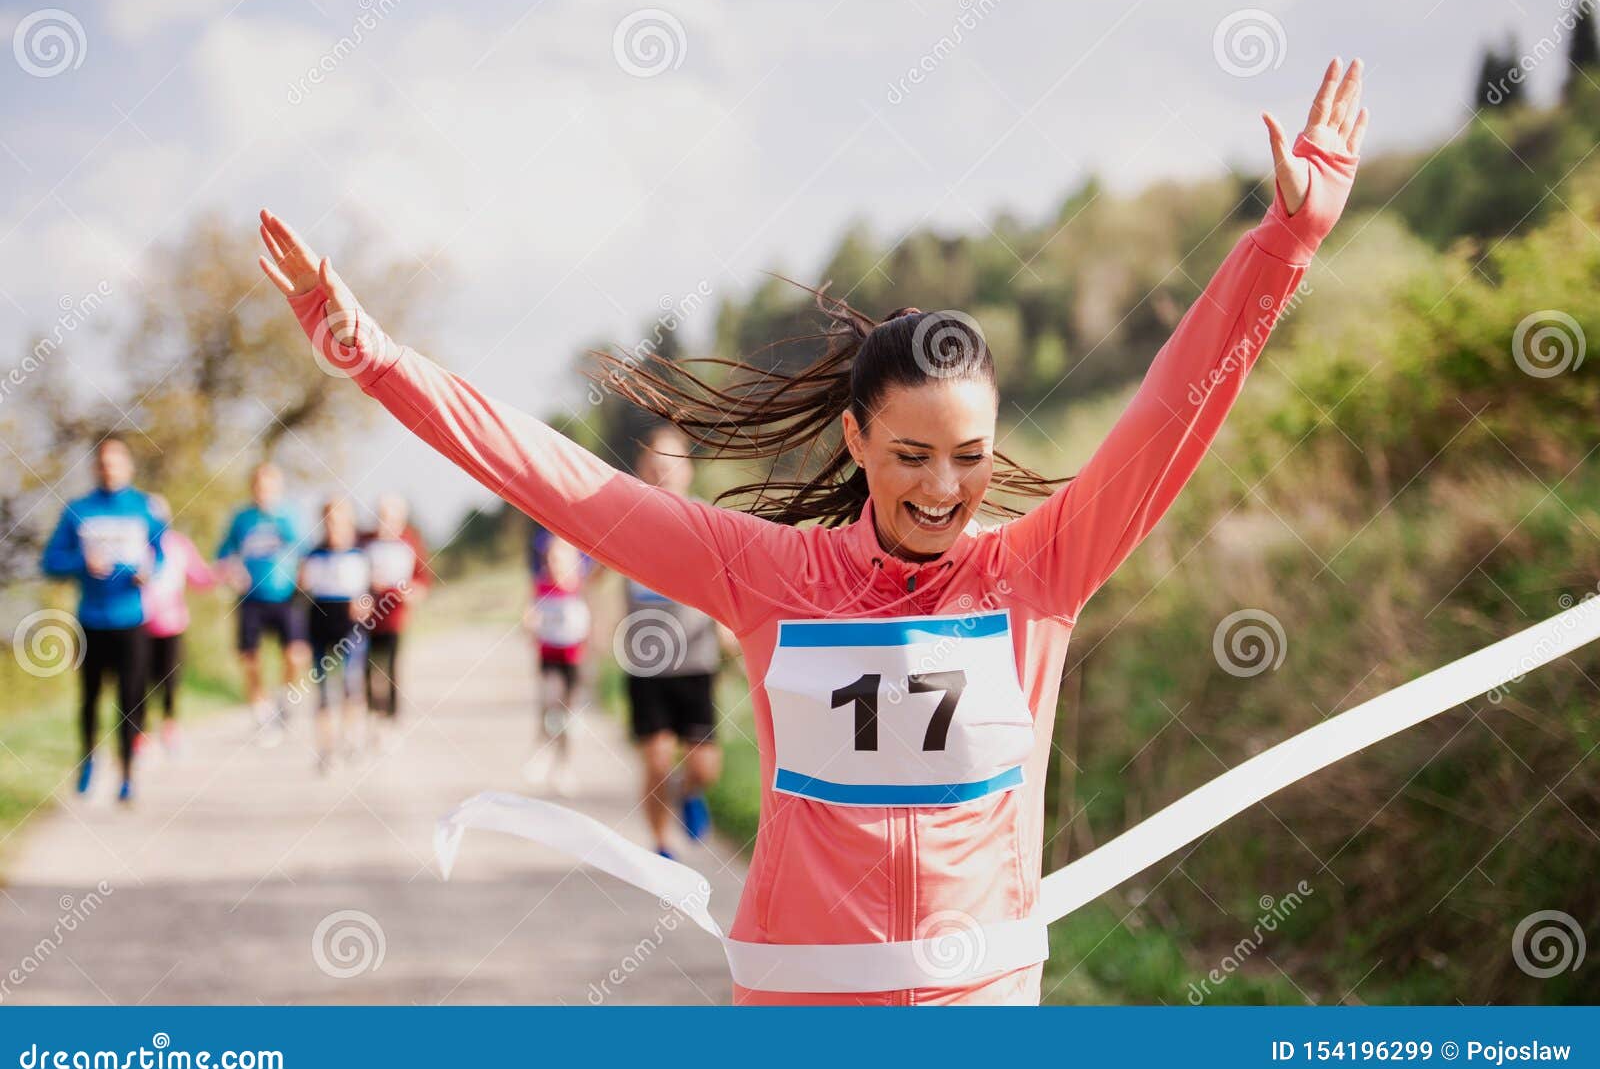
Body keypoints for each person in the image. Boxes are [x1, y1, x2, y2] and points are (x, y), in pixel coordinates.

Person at [258, 58, 1367, 1005]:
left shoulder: (1040, 570)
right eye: (911, 455)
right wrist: (373, 357)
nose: (944, 488)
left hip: (974, 1005)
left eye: (972, 457)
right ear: (855, 438)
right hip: (801, 1007)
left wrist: (1283, 243)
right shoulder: (768, 573)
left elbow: (1171, 411)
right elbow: (557, 479)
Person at [40, 437, 166, 802]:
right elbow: (50, 562)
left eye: (116, 461)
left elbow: (160, 551)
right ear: (96, 468)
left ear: (128, 466)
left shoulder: (144, 508)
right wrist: (83, 564)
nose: (109, 468)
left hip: (132, 619)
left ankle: (127, 774)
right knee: (90, 698)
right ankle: (88, 759)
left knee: (130, 700)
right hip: (91, 619)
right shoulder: (78, 510)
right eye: (103, 462)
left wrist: (148, 570)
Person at [623, 426, 725, 857]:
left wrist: (730, 626)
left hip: (697, 661)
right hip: (647, 664)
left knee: (705, 767)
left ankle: (691, 791)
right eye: (654, 464)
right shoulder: (626, 521)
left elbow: (730, 580)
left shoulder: (709, 522)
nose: (662, 471)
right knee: (657, 761)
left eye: (671, 463)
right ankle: (662, 844)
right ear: (642, 470)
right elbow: (587, 569)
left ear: (689, 469)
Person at [216, 463, 309, 745]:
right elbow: (223, 554)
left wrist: (304, 585)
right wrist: (232, 573)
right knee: (249, 658)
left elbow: (304, 552)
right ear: (252, 487)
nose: (263, 492)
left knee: (295, 655)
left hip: (285, 595)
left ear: (278, 488)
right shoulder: (241, 519)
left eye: (269, 486)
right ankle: (261, 711)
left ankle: (285, 698)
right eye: (259, 486)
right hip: (251, 598)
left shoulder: (289, 516)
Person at [299, 497, 373, 772]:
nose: (333, 526)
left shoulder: (361, 554)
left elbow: (372, 593)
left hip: (351, 629)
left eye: (339, 519)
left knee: (351, 686)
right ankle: (326, 750)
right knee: (323, 693)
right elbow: (300, 596)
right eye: (328, 520)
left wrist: (364, 604)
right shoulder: (312, 555)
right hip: (320, 626)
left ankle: (351, 739)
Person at [140, 494, 217, 754]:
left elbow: (200, 576)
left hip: (172, 623)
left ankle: (170, 726)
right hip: (138, 621)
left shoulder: (178, 545)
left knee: (170, 678)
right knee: (140, 679)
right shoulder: (137, 545)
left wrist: (223, 572)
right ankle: (140, 732)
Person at [521, 532, 595, 797]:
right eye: (550, 558)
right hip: (549, 656)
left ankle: (564, 765)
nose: (554, 563)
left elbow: (592, 619)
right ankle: (542, 750)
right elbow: (530, 615)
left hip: (574, 659)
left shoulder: (581, 587)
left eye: (560, 558)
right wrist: (529, 623)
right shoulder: (541, 586)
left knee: (569, 715)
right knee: (550, 705)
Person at [360, 493, 431, 749]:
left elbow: (422, 581)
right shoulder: (365, 541)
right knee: (367, 670)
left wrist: (410, 592)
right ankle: (372, 717)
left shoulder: (410, 542)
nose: (386, 522)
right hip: (367, 618)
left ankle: (391, 720)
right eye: (382, 516)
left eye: (392, 517)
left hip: (395, 617)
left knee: (390, 669)